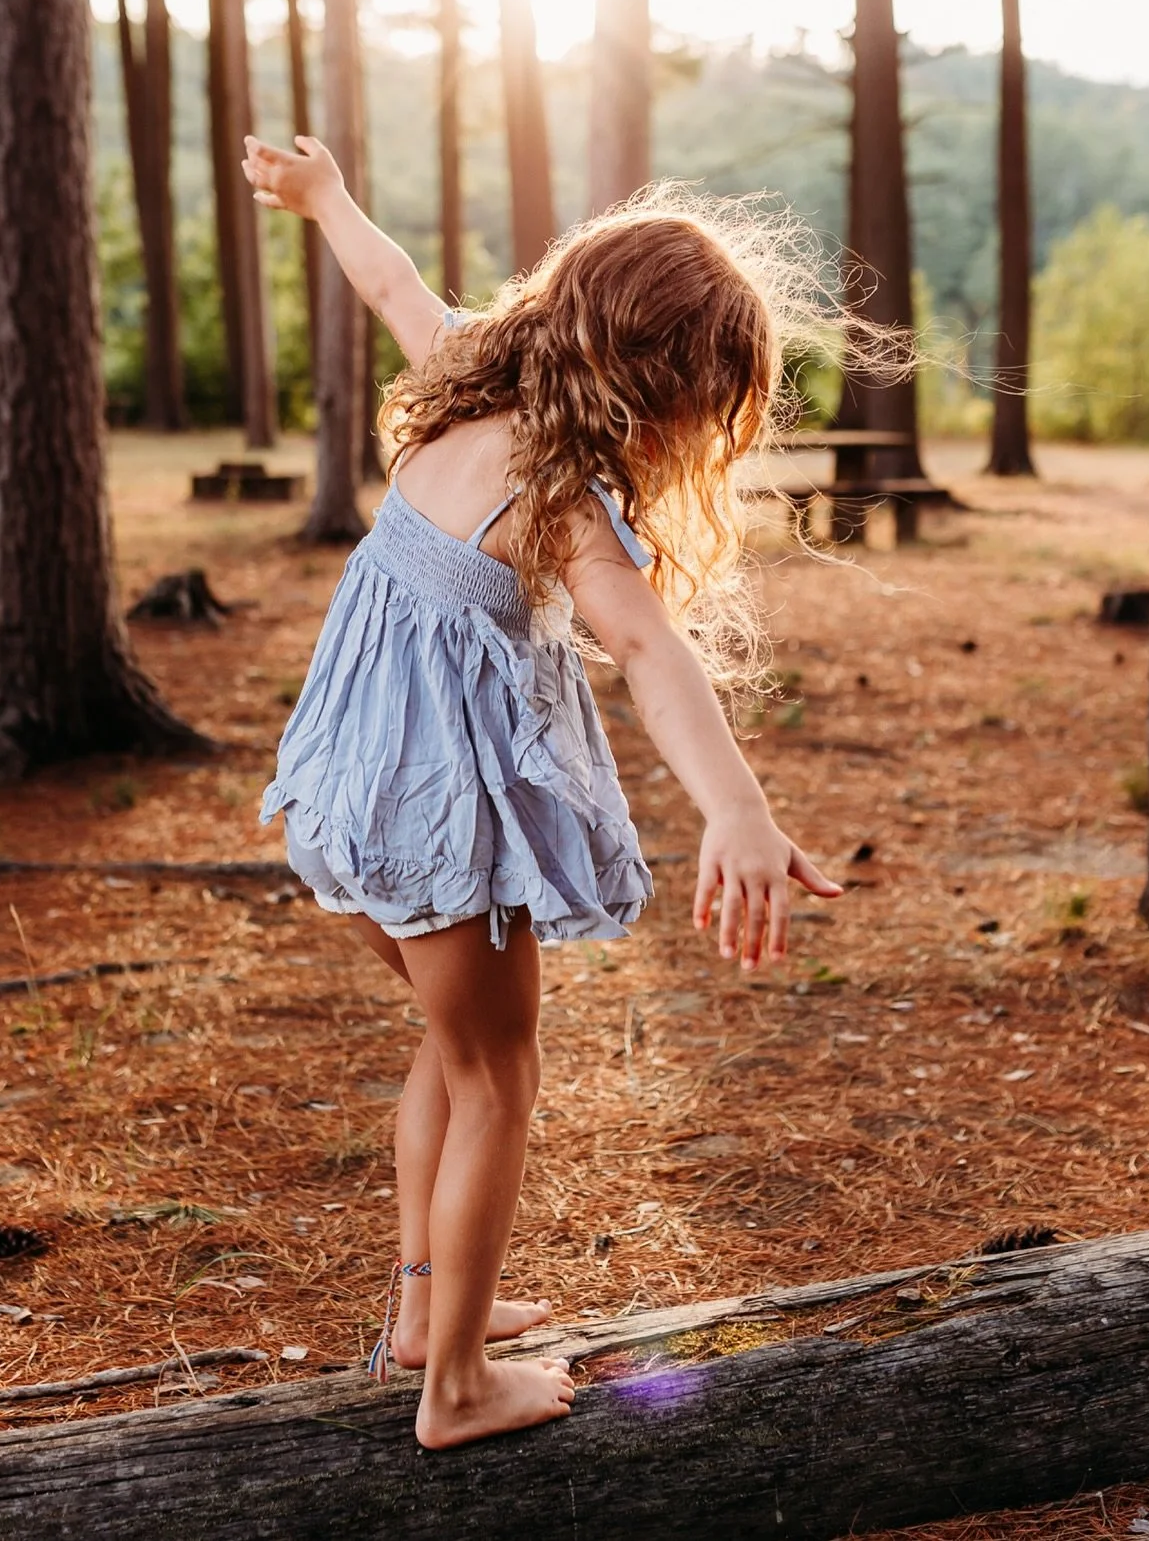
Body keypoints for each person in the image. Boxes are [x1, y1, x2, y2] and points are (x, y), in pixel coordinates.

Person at [243, 134, 851, 1450]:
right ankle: (454, 1385)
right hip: (433, 825)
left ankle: (424, 1311)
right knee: (499, 1080)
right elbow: (648, 651)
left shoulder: (463, 374)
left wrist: (326, 195)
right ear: (662, 399)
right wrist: (737, 808)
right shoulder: (567, 495)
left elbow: (388, 277)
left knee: (452, 1052)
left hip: (350, 798)